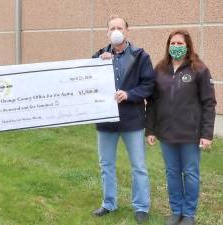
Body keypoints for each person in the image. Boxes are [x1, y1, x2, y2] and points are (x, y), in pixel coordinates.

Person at [145, 30, 216, 225]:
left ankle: (189, 214)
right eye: (173, 43)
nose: (176, 46)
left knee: (191, 173)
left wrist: (206, 134)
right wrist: (150, 130)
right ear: (168, 46)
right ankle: (176, 211)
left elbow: (209, 103)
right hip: (166, 134)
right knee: (172, 173)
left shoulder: (199, 69)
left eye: (180, 43)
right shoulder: (159, 70)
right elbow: (151, 102)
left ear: (188, 46)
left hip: (190, 135)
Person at [91, 15, 154, 224]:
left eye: (120, 27)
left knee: (139, 166)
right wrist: (98, 66)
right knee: (106, 164)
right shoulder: (98, 57)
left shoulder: (140, 56)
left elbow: (148, 85)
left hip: (132, 120)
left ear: (127, 30)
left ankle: (141, 207)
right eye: (112, 28)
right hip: (106, 121)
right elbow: (89, 86)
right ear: (107, 32)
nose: (116, 31)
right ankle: (109, 203)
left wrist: (129, 94)